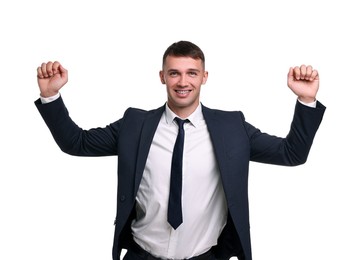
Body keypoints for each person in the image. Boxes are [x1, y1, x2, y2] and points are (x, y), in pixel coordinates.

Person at [35, 41, 325, 260]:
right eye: (174, 73)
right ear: (162, 77)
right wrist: (50, 95)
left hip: (207, 255)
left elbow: (292, 154)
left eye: (191, 73)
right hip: (142, 254)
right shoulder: (135, 124)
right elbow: (77, 143)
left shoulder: (231, 127)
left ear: (204, 77)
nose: (183, 82)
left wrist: (306, 101)